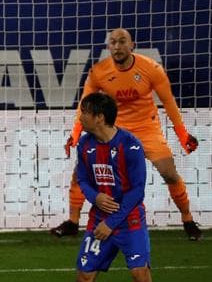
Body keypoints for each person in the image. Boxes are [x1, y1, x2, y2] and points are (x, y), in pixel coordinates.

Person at [51, 28, 202, 241]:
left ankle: (187, 219)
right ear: (108, 47)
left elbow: (169, 103)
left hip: (147, 130)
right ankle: (73, 222)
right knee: (81, 171)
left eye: (122, 42)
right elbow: (84, 106)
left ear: (131, 45)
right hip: (113, 130)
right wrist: (75, 135)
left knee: (169, 174)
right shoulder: (99, 72)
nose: (117, 46)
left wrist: (183, 135)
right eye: (113, 42)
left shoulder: (151, 68)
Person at [42, 92, 161, 282]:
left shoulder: (130, 145)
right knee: (84, 277)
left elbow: (137, 191)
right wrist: (95, 197)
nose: (80, 117)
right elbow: (82, 179)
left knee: (140, 276)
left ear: (99, 117)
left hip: (129, 223)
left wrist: (113, 221)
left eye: (84, 112)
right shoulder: (85, 144)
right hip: (99, 221)